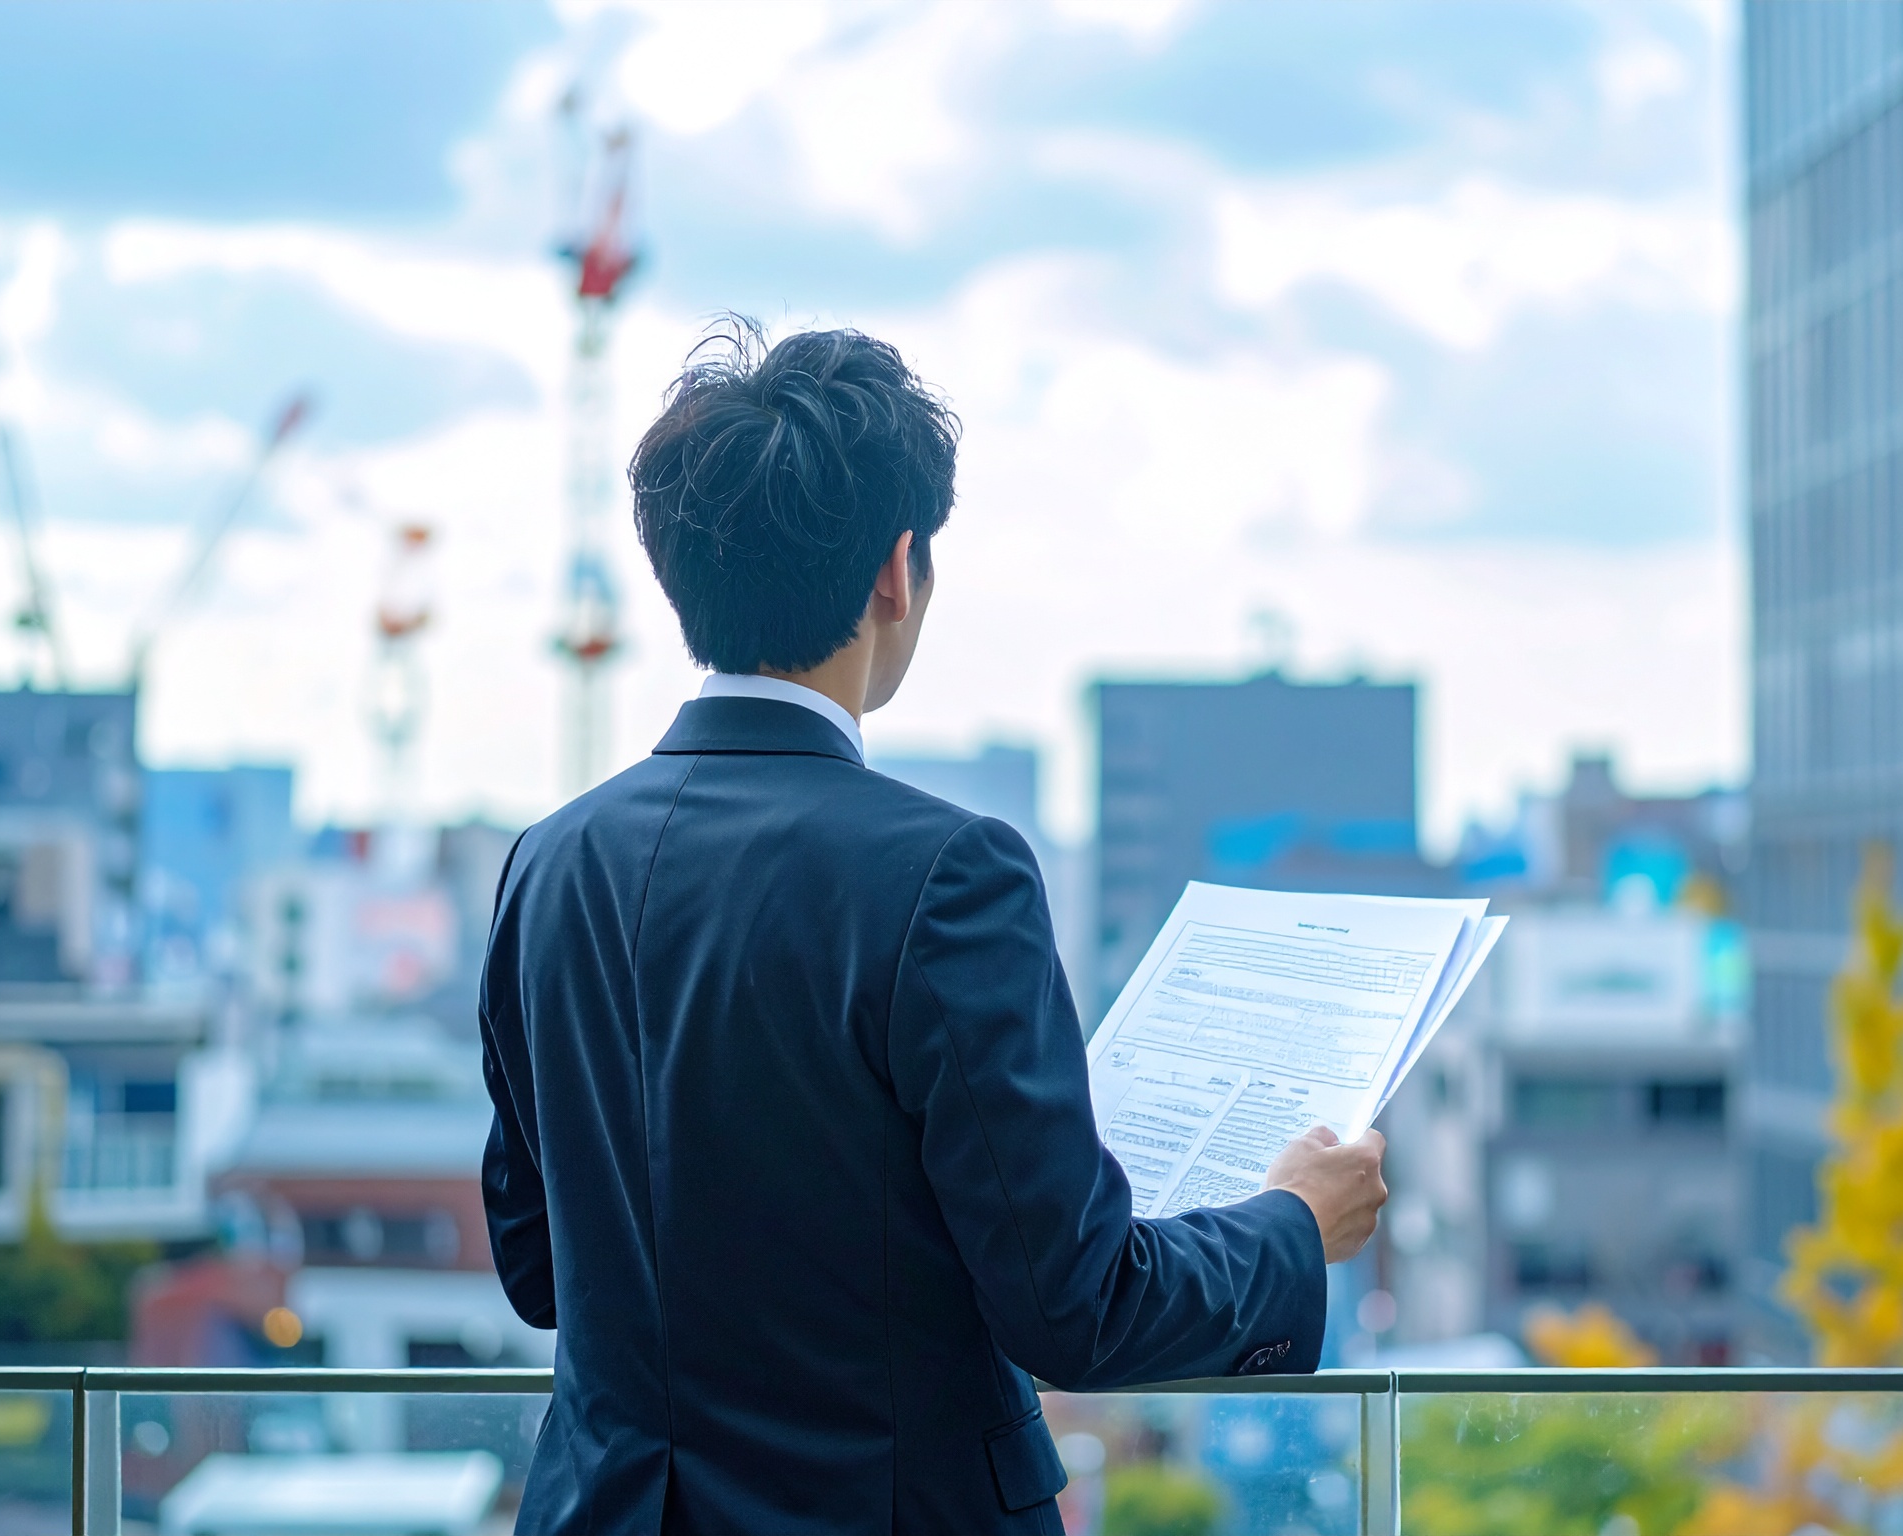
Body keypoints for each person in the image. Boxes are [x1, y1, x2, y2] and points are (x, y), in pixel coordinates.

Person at [479, 322, 1389, 1534]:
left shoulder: (548, 864)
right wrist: (1291, 1225)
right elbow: (1076, 1308)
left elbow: (541, 1273)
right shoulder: (949, 875)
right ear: (897, 571)